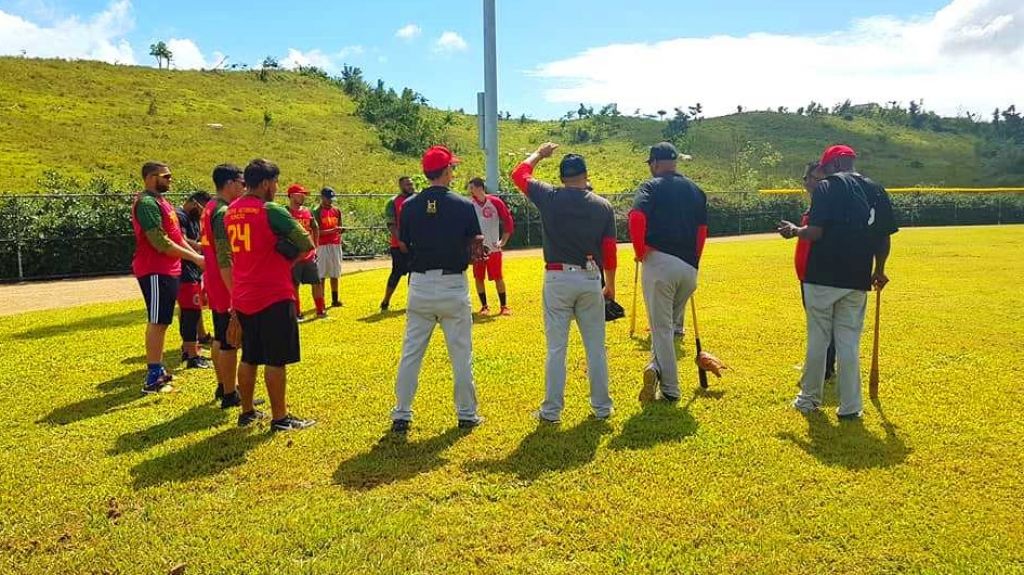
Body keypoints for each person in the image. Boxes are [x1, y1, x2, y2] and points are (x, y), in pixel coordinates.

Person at [778, 145, 898, 420]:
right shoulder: (876, 189)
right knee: (848, 343)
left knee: (818, 339)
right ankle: (851, 407)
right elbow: (884, 237)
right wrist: (879, 270)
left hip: (822, 276)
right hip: (857, 277)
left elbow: (816, 232)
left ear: (831, 165)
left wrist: (794, 231)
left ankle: (808, 400)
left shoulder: (827, 187)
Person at [511, 143, 618, 423]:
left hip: (557, 276)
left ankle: (552, 411)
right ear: (585, 174)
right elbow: (609, 251)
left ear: (562, 178)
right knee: (595, 347)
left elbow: (519, 174)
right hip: (590, 276)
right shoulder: (603, 205)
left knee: (557, 348)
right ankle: (602, 407)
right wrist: (610, 284)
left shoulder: (550, 195)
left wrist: (538, 154)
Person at [390, 146, 486, 433]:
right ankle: (466, 414)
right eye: (452, 168)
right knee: (460, 353)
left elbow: (405, 242)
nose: (453, 172)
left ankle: (402, 413)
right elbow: (475, 242)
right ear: (446, 171)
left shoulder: (409, 206)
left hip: (419, 282)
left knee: (411, 353)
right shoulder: (464, 205)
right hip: (452, 283)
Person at [226, 159, 316, 432]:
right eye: (275, 183)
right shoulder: (271, 210)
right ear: (265, 183)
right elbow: (306, 242)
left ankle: (248, 412)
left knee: (250, 356)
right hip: (274, 293)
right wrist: (287, 258)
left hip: (243, 293)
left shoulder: (231, 211)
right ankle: (280, 418)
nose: (276, 188)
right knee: (276, 358)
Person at [628, 142, 708, 403]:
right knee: (669, 327)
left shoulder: (650, 186)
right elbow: (702, 232)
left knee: (661, 329)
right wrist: (694, 261)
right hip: (688, 269)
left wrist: (640, 251)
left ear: (654, 163)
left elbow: (637, 218)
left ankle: (671, 390)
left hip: (660, 263)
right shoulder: (696, 190)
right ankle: (654, 367)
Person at [131, 162, 205, 394]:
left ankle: (158, 370)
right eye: (167, 176)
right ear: (152, 177)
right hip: (155, 269)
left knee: (164, 320)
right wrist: (194, 258)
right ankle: (153, 375)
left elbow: (176, 237)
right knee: (158, 320)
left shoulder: (163, 203)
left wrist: (196, 256)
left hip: (170, 269)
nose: (170, 180)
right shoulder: (146, 203)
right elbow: (160, 242)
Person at [202, 164, 247, 408]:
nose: (244, 187)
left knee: (220, 336)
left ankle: (223, 386)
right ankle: (231, 394)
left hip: (214, 279)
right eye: (241, 182)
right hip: (224, 281)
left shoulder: (209, 207)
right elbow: (223, 254)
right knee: (229, 339)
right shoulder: (222, 212)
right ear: (229, 183)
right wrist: (234, 292)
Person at [789, 162, 836, 380]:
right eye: (808, 178)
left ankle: (824, 368)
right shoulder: (817, 204)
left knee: (822, 324)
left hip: (815, 274)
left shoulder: (825, 205)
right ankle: (821, 364)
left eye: (813, 178)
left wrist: (795, 230)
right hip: (806, 273)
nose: (808, 182)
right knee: (818, 322)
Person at [467, 177, 515, 315]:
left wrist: (503, 240)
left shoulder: (495, 202)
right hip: (477, 250)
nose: (470, 191)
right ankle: (484, 306)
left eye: (472, 188)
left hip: (494, 248)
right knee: (479, 278)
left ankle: (504, 306)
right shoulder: (470, 205)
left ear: (480, 188)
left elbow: (507, 220)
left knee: (498, 277)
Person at [175, 191, 213, 369]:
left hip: (193, 269)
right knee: (190, 311)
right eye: (201, 208)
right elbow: (180, 239)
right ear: (193, 202)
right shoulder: (180, 216)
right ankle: (192, 355)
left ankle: (189, 348)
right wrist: (199, 248)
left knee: (193, 309)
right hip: (184, 269)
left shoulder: (194, 219)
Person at [285, 184, 324, 320]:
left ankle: (320, 311)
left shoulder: (307, 211)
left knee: (317, 282)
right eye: (300, 194)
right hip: (294, 256)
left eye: (304, 194)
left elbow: (315, 227)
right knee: (294, 285)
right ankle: (297, 313)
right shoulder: (286, 212)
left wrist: (315, 245)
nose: (303, 196)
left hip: (309, 255)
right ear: (291, 195)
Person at [380, 176, 416, 312]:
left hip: (415, 245)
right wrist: (401, 241)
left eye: (411, 184)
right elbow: (391, 224)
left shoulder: (418, 200)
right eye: (407, 184)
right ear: (401, 186)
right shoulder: (393, 202)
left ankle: (412, 303)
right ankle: (385, 301)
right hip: (398, 245)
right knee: (396, 273)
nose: (410, 186)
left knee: (415, 274)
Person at [313, 187, 345, 307]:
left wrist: (340, 231)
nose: (330, 201)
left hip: (335, 244)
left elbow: (339, 226)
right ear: (322, 198)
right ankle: (322, 300)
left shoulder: (336, 210)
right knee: (321, 274)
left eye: (332, 199)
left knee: (335, 273)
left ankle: (335, 299)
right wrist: (333, 230)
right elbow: (317, 232)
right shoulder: (316, 211)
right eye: (328, 199)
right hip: (322, 245)